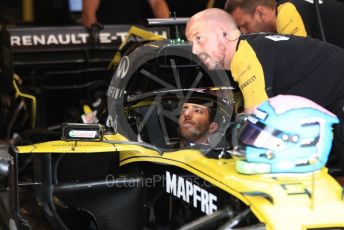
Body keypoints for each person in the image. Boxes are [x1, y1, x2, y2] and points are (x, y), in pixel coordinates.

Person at [185, 8, 344, 169]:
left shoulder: (246, 56)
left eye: (199, 38)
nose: (194, 50)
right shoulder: (255, 46)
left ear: (223, 34)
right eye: (191, 43)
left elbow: (257, 125)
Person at [224, 0, 344, 48]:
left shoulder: (286, 14)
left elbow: (299, 64)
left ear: (261, 13)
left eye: (244, 25)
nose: (243, 32)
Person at [82, 0, 170, 28]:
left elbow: (157, 3)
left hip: (135, 34)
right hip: (107, 34)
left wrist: (169, 27)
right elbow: (88, 15)